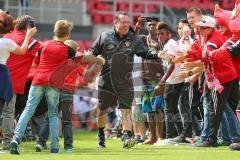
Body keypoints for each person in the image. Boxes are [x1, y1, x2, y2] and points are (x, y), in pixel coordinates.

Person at [90, 11, 171, 149]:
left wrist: (158, 54)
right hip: (106, 79)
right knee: (103, 110)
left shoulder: (133, 38)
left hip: (125, 80)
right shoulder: (104, 36)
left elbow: (145, 52)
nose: (127, 25)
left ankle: (127, 137)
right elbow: (93, 52)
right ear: (116, 23)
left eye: (128, 22)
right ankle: (101, 137)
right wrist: (90, 56)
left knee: (126, 110)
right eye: (124, 22)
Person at [2, 15, 40, 150]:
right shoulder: (31, 42)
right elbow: (46, 55)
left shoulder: (6, 36)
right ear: (29, 27)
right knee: (8, 113)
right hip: (11, 83)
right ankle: (6, 144)